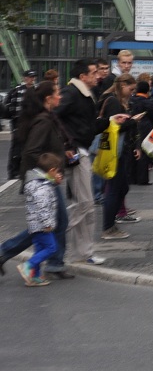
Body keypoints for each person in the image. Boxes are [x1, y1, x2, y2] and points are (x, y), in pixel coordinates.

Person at [55, 58, 128, 265]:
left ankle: (83, 253)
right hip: (76, 152)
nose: (99, 75)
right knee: (85, 203)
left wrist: (111, 121)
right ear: (82, 76)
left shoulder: (86, 95)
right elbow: (52, 117)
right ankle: (49, 229)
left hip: (80, 150)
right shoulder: (71, 93)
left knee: (85, 205)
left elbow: (87, 127)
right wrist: (67, 145)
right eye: (94, 72)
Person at [0, 83, 74, 280]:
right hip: (42, 180)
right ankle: (54, 263)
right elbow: (32, 152)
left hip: (42, 178)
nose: (60, 97)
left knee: (47, 224)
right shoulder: (43, 121)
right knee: (51, 223)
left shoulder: (47, 118)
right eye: (57, 93)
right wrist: (49, 173)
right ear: (48, 98)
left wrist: (62, 154)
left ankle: (50, 262)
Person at [98, 74, 139, 240]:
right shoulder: (113, 101)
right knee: (114, 189)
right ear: (122, 86)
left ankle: (111, 223)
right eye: (130, 89)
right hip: (115, 151)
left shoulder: (114, 100)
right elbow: (116, 126)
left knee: (121, 187)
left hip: (119, 150)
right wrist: (133, 121)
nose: (131, 93)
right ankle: (108, 227)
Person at [17, 153, 65, 287]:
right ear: (51, 171)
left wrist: (53, 181)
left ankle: (35, 276)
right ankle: (28, 266)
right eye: (57, 171)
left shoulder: (37, 182)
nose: (58, 174)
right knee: (51, 248)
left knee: (39, 249)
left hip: (34, 224)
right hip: (43, 225)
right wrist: (48, 224)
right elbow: (43, 207)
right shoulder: (42, 188)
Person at [4, 69, 38, 180]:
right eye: (30, 77)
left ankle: (23, 170)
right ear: (25, 78)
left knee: (27, 147)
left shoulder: (35, 90)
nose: (32, 79)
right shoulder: (17, 90)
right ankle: (15, 170)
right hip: (18, 122)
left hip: (30, 123)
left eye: (33, 77)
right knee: (17, 148)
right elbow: (12, 107)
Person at [130, 80, 153, 186]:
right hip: (145, 128)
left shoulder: (132, 100)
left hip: (132, 128)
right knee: (144, 153)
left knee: (134, 151)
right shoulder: (147, 102)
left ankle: (132, 178)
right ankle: (142, 178)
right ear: (148, 90)